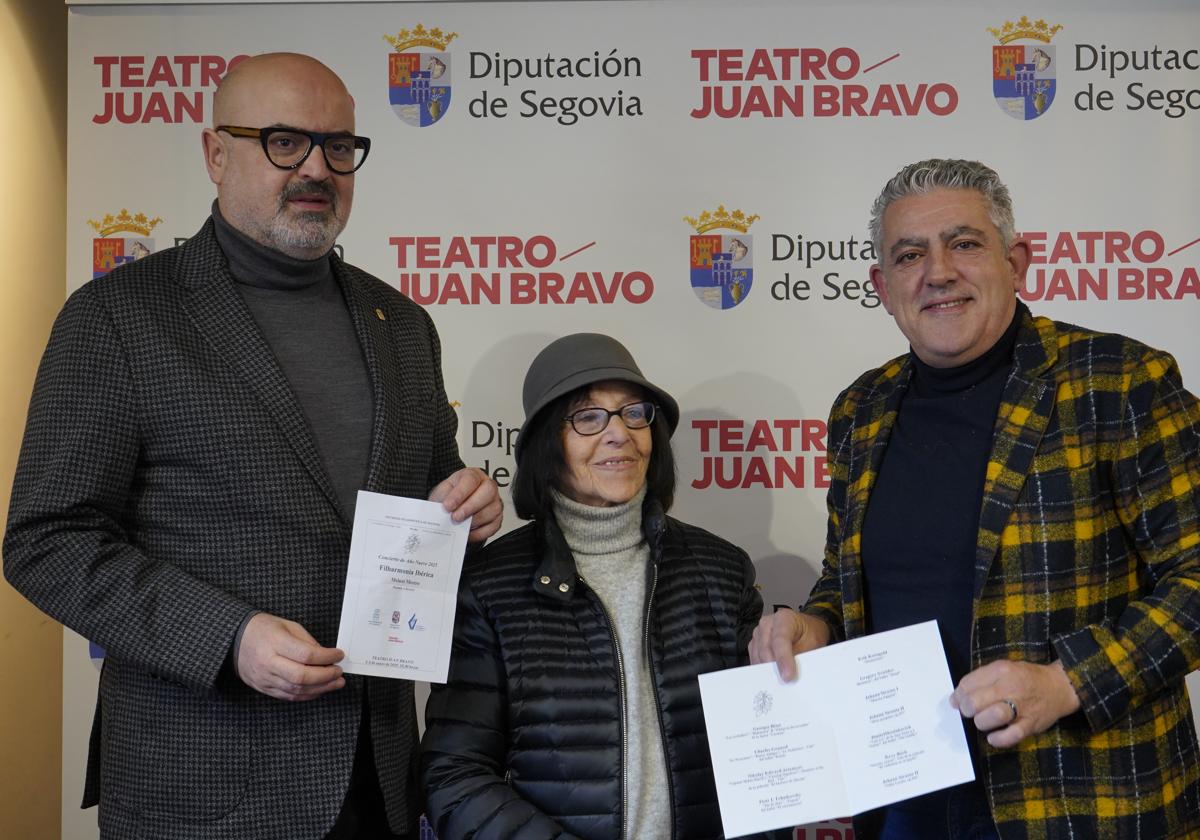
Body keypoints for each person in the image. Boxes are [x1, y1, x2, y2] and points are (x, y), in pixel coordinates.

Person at [3, 53, 501, 840]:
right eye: (282, 141)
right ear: (215, 152)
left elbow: (426, 499)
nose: (315, 168)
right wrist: (226, 636)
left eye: (339, 147)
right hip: (202, 788)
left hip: (379, 776)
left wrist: (465, 503)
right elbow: (46, 542)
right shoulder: (119, 317)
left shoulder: (402, 326)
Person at [750, 159, 1200, 839]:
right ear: (882, 285)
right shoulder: (861, 410)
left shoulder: (1120, 381)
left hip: (1082, 808)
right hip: (905, 805)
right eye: (910, 255)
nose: (938, 272)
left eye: (964, 244)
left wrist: (1065, 683)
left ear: (1016, 261)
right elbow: (854, 593)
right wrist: (814, 630)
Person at [421, 333, 784, 840]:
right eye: (588, 417)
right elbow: (455, 776)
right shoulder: (489, 587)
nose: (619, 434)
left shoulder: (721, 569)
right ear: (550, 441)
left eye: (633, 413)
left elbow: (772, 752)